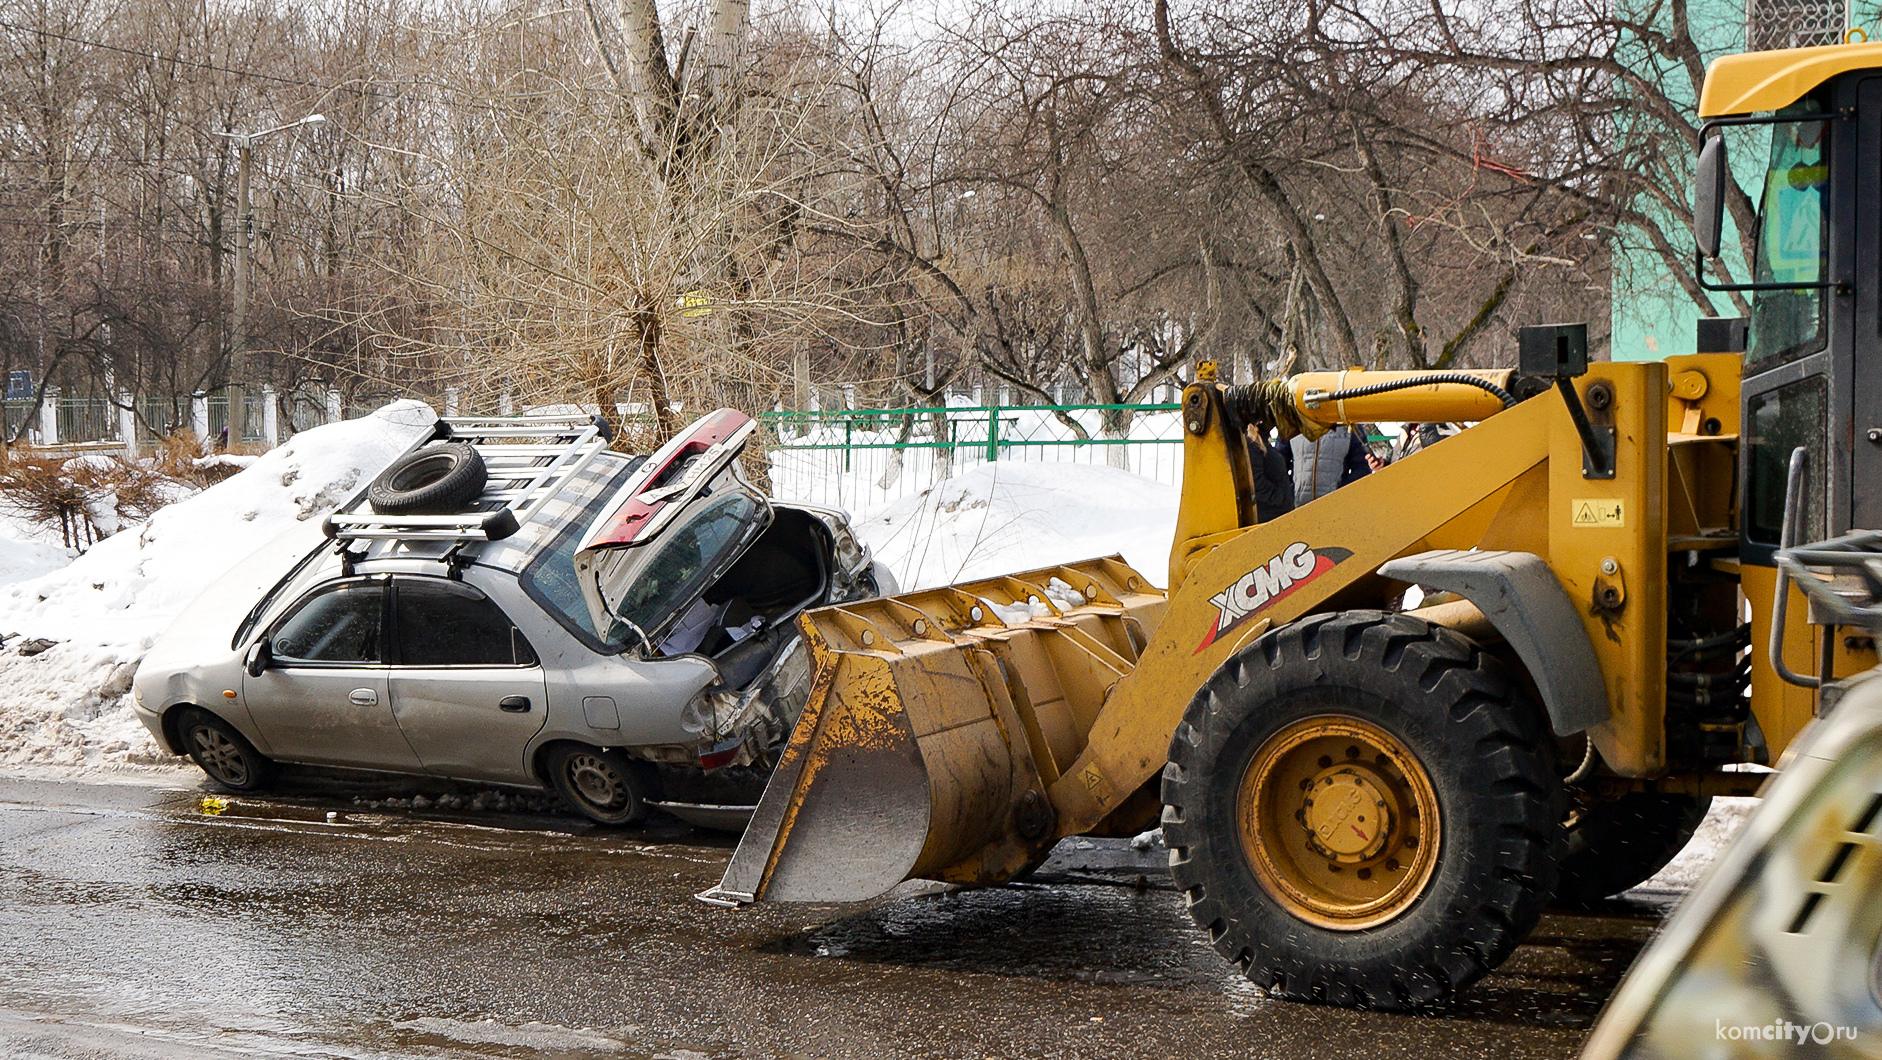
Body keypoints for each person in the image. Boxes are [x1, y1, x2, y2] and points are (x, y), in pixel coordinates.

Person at [1289, 424, 1370, 507]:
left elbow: (1362, 468)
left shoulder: (1349, 426)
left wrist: (1340, 492)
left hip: (1336, 508)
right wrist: (1290, 493)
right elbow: (1280, 465)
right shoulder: (1292, 423)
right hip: (1296, 507)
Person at [1245, 425, 1294, 523]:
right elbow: (1255, 482)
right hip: (1271, 514)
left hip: (1277, 512)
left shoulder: (1261, 441)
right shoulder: (1252, 443)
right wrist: (1280, 498)